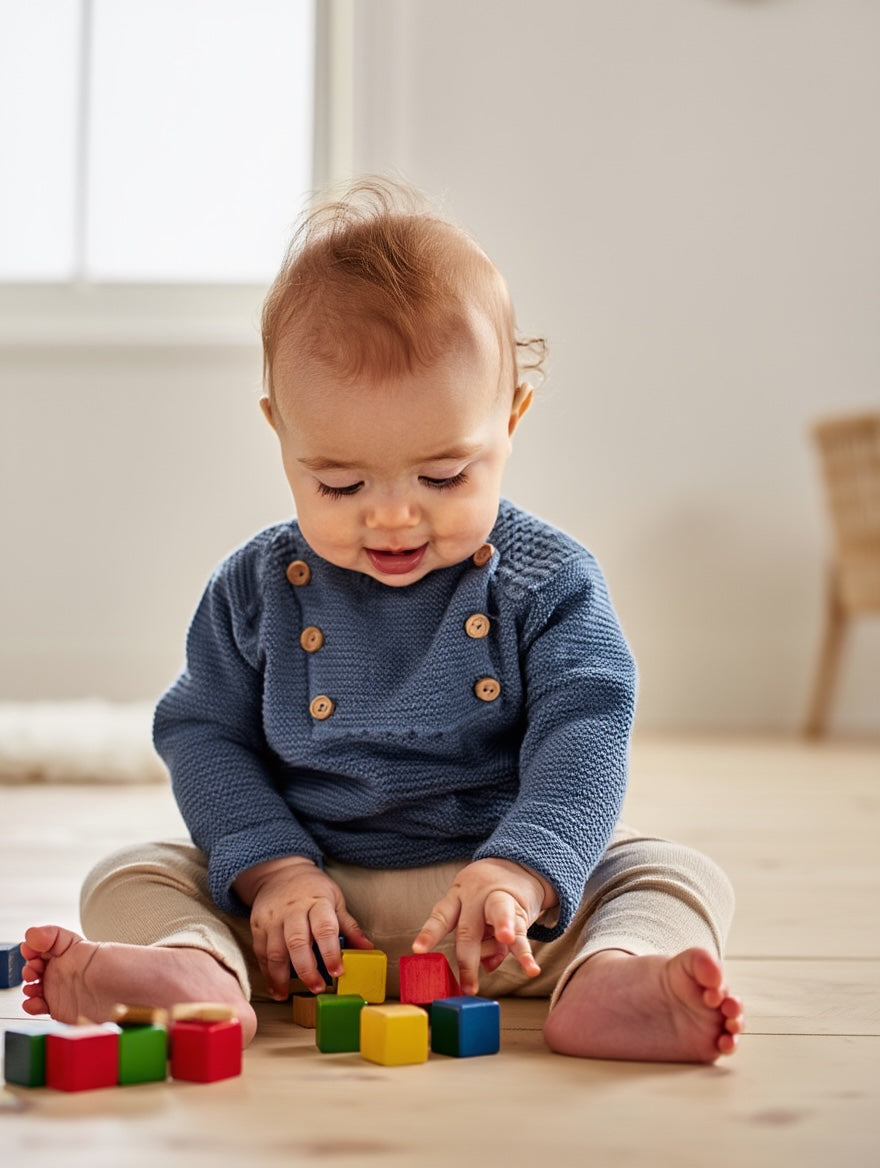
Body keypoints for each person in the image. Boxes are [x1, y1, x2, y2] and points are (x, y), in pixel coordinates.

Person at [21, 178, 743, 1062]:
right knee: (129, 874)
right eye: (340, 485)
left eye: (443, 479)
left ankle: (607, 983)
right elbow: (203, 734)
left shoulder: (547, 582)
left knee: (666, 872)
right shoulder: (254, 590)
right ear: (279, 434)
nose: (393, 517)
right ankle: (203, 973)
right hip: (310, 922)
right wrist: (273, 870)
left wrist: (521, 868)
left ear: (510, 421)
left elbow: (584, 726)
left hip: (493, 922)